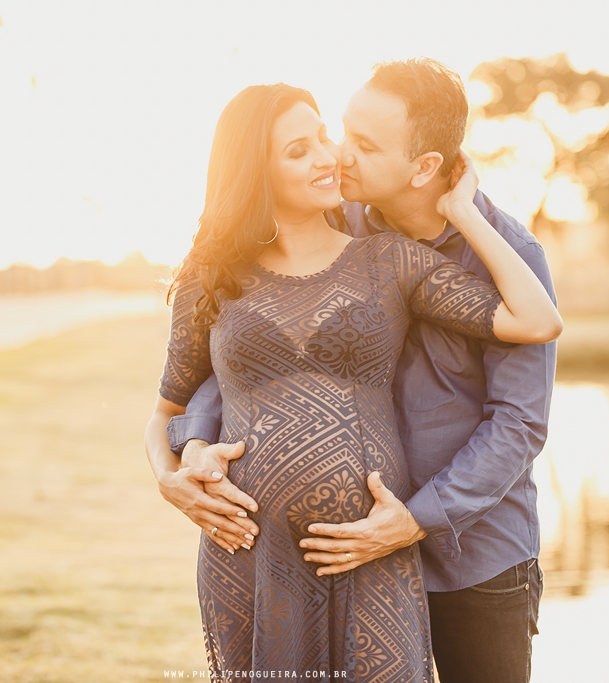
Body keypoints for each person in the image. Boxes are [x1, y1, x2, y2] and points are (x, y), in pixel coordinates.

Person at [144, 81, 561, 681]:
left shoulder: (496, 253)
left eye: (359, 143)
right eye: (328, 136)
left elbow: (519, 420)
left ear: (424, 168)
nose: (335, 155)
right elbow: (235, 373)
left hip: (469, 549)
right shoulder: (336, 218)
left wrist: (413, 520)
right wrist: (184, 458)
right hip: (279, 558)